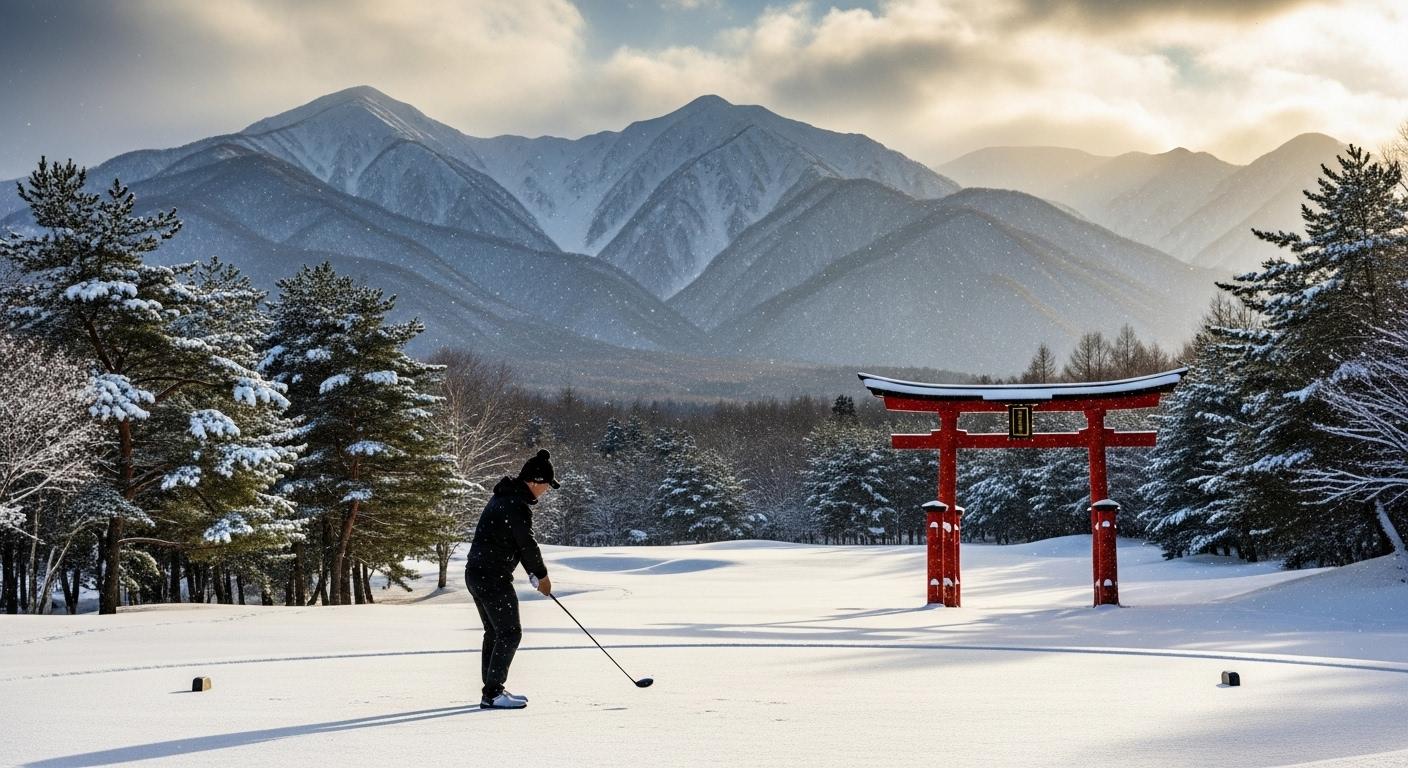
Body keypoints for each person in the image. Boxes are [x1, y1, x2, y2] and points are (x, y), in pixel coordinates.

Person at [465, 449, 558, 710]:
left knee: (495, 632)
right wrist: (542, 575)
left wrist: (532, 573)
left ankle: (492, 689)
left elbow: (516, 544)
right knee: (510, 632)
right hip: (491, 577)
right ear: (534, 481)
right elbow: (526, 544)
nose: (546, 491)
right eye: (546, 485)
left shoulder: (505, 497)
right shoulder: (515, 504)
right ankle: (493, 694)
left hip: (477, 574)